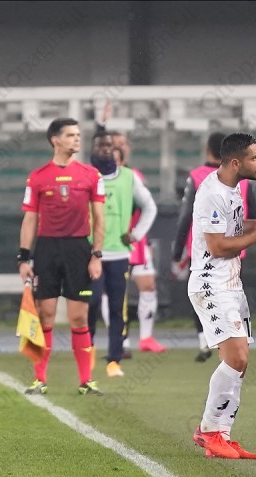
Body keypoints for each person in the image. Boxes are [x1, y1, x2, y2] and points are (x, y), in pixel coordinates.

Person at [188, 133, 256, 459]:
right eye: (255, 157)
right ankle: (207, 430)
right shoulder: (212, 193)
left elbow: (232, 227)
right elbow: (217, 246)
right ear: (235, 162)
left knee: (240, 364)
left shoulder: (231, 188)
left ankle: (222, 434)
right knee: (237, 358)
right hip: (210, 284)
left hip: (230, 284)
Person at [18, 117, 105, 396]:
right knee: (45, 314)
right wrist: (23, 258)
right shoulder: (37, 177)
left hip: (78, 250)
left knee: (79, 317)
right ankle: (39, 379)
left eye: (78, 135)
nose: (77, 139)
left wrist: (96, 255)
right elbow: (29, 219)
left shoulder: (92, 175)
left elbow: (99, 219)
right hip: (46, 250)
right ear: (55, 140)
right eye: (70, 135)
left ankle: (86, 381)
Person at [171, 132, 256, 362]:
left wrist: (177, 251)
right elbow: (253, 212)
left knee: (237, 354)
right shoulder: (239, 179)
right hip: (227, 252)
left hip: (209, 252)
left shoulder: (199, 176)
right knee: (235, 352)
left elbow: (185, 217)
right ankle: (217, 344)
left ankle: (204, 341)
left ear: (208, 150)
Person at [96, 103, 166, 354]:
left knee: (148, 286)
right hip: (111, 241)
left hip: (135, 240)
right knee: (114, 292)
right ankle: (121, 340)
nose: (121, 147)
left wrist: (139, 234)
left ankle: (146, 338)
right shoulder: (100, 175)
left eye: (124, 143)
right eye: (116, 143)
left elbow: (146, 207)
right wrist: (101, 124)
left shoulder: (133, 175)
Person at [87, 130, 158, 378]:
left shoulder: (128, 177)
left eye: (109, 146)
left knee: (118, 307)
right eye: (101, 146)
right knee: (91, 303)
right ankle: (87, 352)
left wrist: (136, 234)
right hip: (91, 254)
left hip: (118, 254)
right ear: (93, 149)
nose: (106, 149)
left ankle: (114, 360)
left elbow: (149, 206)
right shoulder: (85, 176)